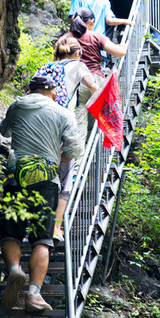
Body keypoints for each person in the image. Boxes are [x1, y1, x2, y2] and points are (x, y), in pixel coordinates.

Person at [0, 73, 82, 312]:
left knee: (10, 233)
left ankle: (14, 271)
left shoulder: (17, 106)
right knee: (42, 239)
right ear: (54, 93)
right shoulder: (63, 112)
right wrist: (56, 156)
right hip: (46, 179)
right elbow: (75, 149)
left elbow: (5, 131)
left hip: (16, 177)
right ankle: (34, 294)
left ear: (29, 91)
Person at [48, 34, 99, 241]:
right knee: (66, 176)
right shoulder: (78, 66)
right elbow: (95, 88)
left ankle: (36, 221)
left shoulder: (47, 67)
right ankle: (55, 227)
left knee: (45, 174)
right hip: (61, 123)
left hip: (41, 123)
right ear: (78, 53)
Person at [69, 8, 128, 143]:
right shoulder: (95, 36)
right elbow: (118, 52)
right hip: (96, 83)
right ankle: (91, 157)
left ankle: (79, 161)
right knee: (94, 123)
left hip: (75, 85)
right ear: (92, 22)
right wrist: (123, 47)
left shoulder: (67, 38)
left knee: (78, 127)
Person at [68, 0, 133, 37]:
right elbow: (109, 21)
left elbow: (74, 19)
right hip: (99, 40)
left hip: (84, 37)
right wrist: (126, 21)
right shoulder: (104, 0)